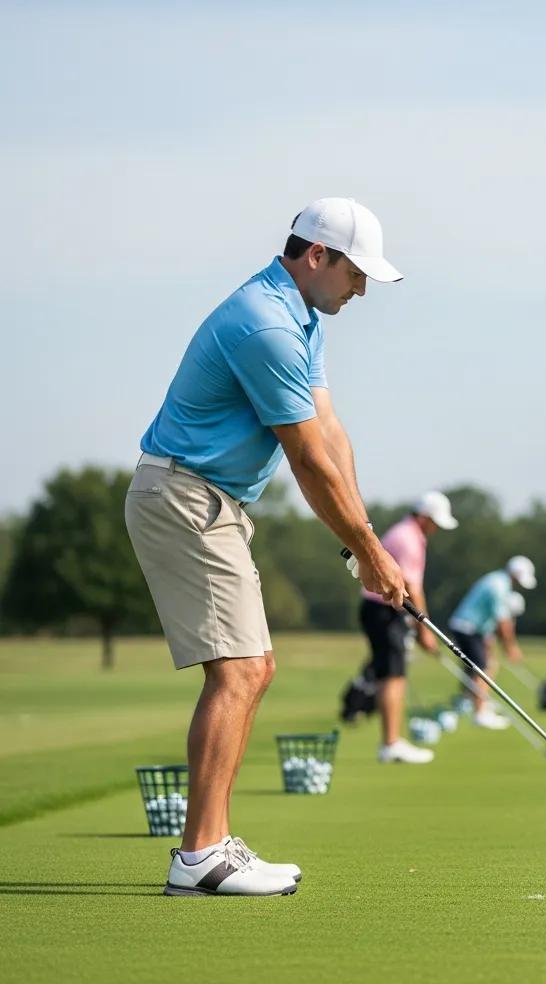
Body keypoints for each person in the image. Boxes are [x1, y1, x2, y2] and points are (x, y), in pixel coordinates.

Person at [125, 197, 408, 897]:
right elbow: (307, 460)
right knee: (241, 672)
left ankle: (213, 845)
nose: (362, 289)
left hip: (209, 500)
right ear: (317, 255)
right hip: (186, 496)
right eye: (356, 273)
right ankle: (200, 856)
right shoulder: (266, 325)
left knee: (252, 669)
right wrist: (370, 552)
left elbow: (331, 435)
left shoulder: (303, 318)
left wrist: (366, 542)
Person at [359, 491, 458, 764]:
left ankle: (392, 740)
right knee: (392, 675)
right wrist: (425, 630)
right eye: (435, 522)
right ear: (424, 517)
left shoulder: (407, 533)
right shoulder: (408, 539)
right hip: (383, 611)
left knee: (394, 674)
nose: (437, 528)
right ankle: (390, 743)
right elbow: (412, 587)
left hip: (382, 611)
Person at [448, 557, 537, 729]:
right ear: (515, 574)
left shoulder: (499, 581)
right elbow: (503, 621)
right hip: (468, 628)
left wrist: (491, 639)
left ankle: (473, 702)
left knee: (487, 664)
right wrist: (510, 647)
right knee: (482, 668)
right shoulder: (498, 586)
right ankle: (480, 713)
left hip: (473, 628)